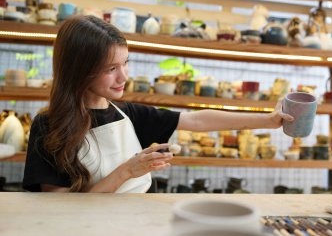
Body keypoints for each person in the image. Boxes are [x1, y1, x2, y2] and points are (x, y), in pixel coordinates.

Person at [22, 15, 294, 193]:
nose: (124, 77)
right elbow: (59, 209)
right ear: (79, 69)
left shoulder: (128, 115)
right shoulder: (49, 127)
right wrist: (128, 171)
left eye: (126, 63)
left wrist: (267, 120)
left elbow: (197, 120)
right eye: (111, 68)